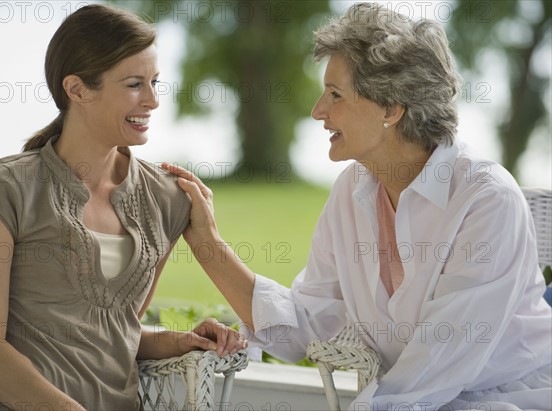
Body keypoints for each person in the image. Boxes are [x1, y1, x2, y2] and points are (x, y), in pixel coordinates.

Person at [163, 3, 552, 410]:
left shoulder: (486, 199)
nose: (318, 111)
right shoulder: (352, 191)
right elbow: (305, 324)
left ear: (391, 108)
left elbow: (440, 361)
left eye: (335, 95)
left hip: (512, 398)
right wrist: (207, 242)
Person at [0, 4, 246, 410]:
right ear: (77, 89)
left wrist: (177, 341)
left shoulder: (165, 197)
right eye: (133, 84)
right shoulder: (6, 187)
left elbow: (116, 333)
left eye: (155, 83)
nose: (152, 100)